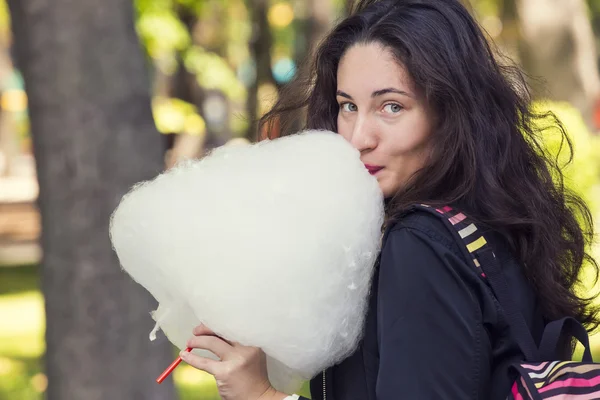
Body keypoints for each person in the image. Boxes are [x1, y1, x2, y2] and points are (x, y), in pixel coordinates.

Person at [178, 0, 600, 398]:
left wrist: (261, 394)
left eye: (391, 107)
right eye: (348, 106)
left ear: (451, 113)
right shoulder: (491, 222)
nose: (359, 138)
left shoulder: (421, 247)